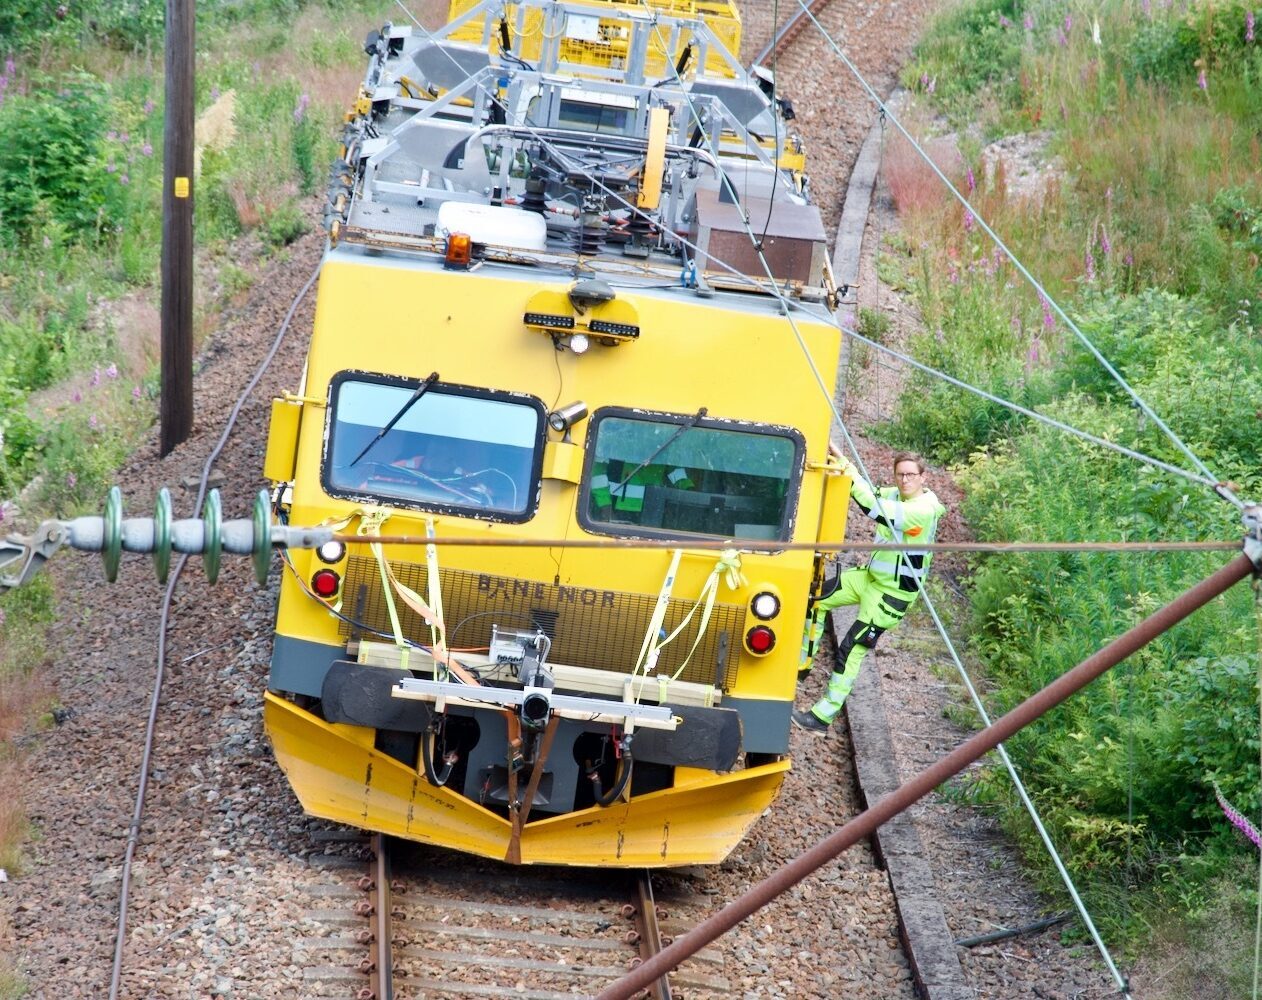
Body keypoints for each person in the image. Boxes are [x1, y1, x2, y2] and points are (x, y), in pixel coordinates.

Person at [792, 449, 946, 736]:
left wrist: (849, 474)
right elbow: (869, 489)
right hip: (871, 578)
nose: (905, 480)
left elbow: (874, 507)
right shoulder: (898, 494)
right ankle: (801, 666)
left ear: (923, 477)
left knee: (851, 650)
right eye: (900, 474)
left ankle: (822, 717)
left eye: (911, 474)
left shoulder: (921, 510)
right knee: (817, 598)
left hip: (891, 596)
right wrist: (847, 466)